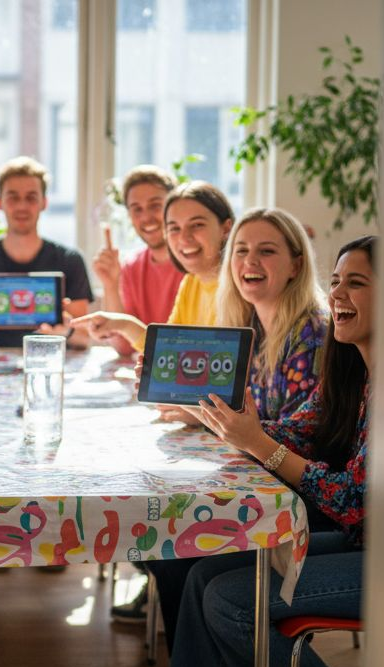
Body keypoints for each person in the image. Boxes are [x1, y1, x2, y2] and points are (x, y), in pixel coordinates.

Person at [160, 236, 377, 667]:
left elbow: (353, 499)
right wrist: (238, 426)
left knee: (232, 600)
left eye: (357, 283)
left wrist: (259, 444)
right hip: (358, 541)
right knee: (203, 573)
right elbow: (301, 429)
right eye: (336, 281)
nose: (339, 294)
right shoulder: (354, 370)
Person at [111, 207, 332, 633]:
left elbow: (303, 438)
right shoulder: (248, 327)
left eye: (266, 251)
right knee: (155, 535)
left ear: (296, 265)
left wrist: (215, 423)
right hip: (260, 478)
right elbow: (251, 419)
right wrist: (197, 412)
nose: (250, 261)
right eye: (241, 251)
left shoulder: (313, 335)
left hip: (296, 500)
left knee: (169, 548)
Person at [72, 180, 234, 428]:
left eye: (197, 225)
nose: (185, 238)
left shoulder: (240, 287)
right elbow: (167, 351)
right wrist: (121, 323)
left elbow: (242, 386)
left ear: (226, 229)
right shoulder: (192, 281)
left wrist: (199, 414)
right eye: (174, 228)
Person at [0, 156, 94, 348]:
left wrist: (66, 329)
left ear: (44, 202)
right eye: (13, 197)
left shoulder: (70, 260)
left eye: (31, 197)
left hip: (49, 363)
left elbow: (84, 339)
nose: (22, 206)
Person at [92, 165, 184, 357]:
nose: (146, 217)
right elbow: (123, 346)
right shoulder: (132, 266)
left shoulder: (193, 267)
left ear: (173, 206)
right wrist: (110, 284)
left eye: (155, 206)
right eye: (137, 209)